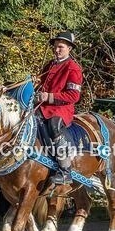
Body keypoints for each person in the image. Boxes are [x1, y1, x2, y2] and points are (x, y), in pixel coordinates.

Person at [37, 32, 84, 185]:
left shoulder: (73, 68)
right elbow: (41, 85)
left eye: (61, 47)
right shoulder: (49, 65)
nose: (56, 50)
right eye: (55, 47)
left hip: (61, 109)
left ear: (69, 48)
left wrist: (49, 97)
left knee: (53, 125)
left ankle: (65, 171)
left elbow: (73, 96)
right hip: (42, 106)